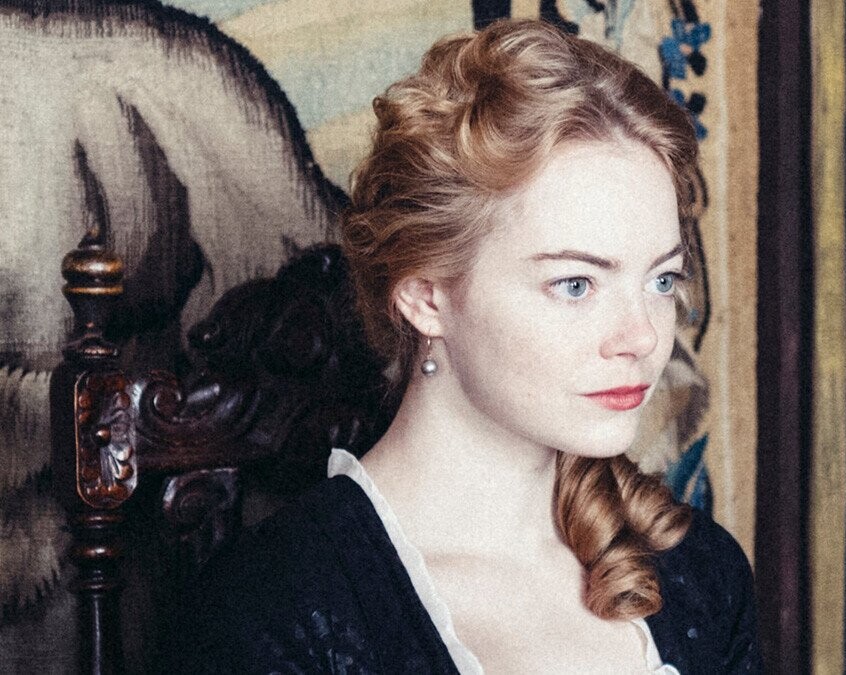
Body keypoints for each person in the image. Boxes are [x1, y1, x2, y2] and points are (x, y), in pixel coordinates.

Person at [182, 19, 759, 674]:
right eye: (575, 284)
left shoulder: (699, 574)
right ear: (426, 298)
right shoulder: (272, 610)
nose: (645, 337)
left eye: (661, 280)